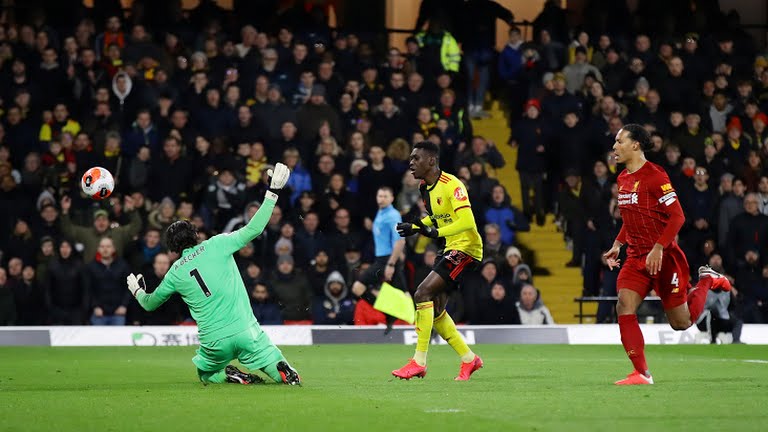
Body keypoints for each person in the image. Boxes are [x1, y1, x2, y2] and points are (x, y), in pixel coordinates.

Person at [127, 163, 301, 386]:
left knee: (205, 373)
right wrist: (272, 193)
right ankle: (281, 371)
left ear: (172, 248)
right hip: (246, 331)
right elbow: (254, 229)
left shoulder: (174, 273)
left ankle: (229, 374)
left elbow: (150, 304)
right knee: (271, 361)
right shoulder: (218, 244)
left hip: (214, 342)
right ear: (196, 234)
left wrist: (138, 291)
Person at [603, 124, 732, 385]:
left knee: (681, 323)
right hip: (637, 258)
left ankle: (706, 279)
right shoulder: (623, 178)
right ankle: (642, 373)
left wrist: (659, 248)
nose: (614, 147)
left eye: (619, 142)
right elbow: (632, 218)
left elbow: (678, 216)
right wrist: (618, 244)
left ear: (635, 145)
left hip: (664, 258)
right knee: (623, 305)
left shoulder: (655, 176)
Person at [392, 141, 483, 381]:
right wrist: (416, 226)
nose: (411, 163)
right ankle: (469, 359)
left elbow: (468, 222)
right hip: (451, 247)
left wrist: (435, 234)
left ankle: (418, 361)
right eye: (410, 158)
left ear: (431, 161)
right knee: (437, 310)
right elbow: (438, 216)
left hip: (467, 248)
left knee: (422, 293)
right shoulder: (425, 187)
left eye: (416, 158)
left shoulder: (453, 185)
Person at [350, 186, 406, 332]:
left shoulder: (392, 215)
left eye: (385, 196)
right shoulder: (381, 212)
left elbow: (400, 241)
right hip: (382, 259)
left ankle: (428, 326)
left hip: (387, 260)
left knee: (359, 288)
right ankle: (390, 315)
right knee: (405, 296)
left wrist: (391, 264)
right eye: (379, 196)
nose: (381, 199)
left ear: (392, 198)